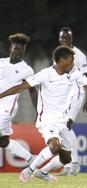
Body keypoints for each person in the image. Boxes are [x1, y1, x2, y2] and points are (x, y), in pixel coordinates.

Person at [0, 45, 87, 183]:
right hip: (47, 119)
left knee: (66, 158)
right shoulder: (45, 74)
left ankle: (42, 172)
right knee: (54, 146)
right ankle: (29, 170)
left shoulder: (74, 73)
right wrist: (2, 95)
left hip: (62, 121)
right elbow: (20, 87)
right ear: (61, 60)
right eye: (71, 60)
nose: (73, 63)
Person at [56, 27, 87, 176]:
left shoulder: (79, 55)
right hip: (65, 95)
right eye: (62, 38)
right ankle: (71, 164)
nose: (65, 40)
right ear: (59, 40)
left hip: (78, 93)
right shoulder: (58, 54)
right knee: (64, 127)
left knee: (67, 125)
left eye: (67, 38)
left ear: (72, 39)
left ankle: (74, 164)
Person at [0, 33, 37, 167]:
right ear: (10, 48)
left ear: (24, 51)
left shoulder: (26, 70)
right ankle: (31, 158)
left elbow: (33, 91)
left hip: (7, 107)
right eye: (15, 48)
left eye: (21, 50)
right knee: (3, 142)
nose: (18, 52)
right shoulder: (1, 62)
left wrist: (38, 111)